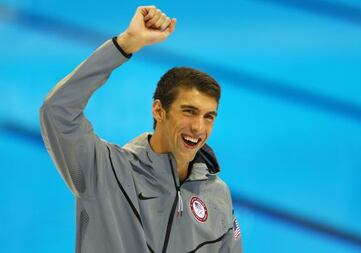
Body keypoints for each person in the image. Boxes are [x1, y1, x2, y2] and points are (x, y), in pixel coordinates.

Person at [39, 5, 242, 253]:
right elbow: (57, 110)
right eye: (188, 111)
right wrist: (126, 44)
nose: (199, 127)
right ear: (158, 110)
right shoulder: (104, 170)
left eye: (208, 116)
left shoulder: (217, 195)